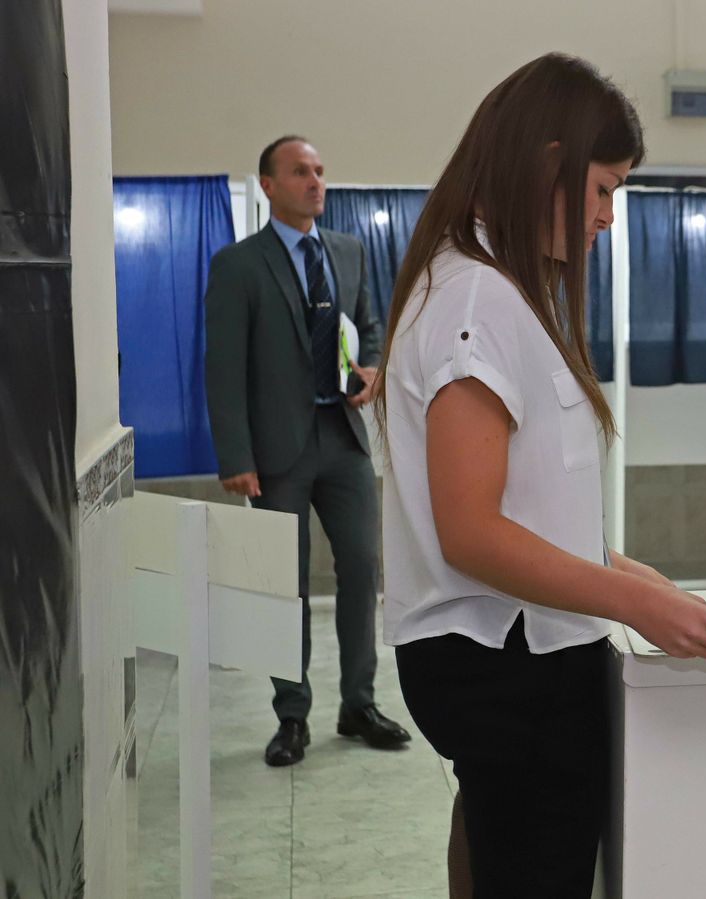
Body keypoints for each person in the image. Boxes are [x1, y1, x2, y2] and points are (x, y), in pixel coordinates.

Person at [376, 53, 706, 898]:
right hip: (506, 663)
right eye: (605, 189)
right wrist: (636, 603)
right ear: (547, 165)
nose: (608, 219)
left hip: (518, 657)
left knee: (505, 844)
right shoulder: (475, 301)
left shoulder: (494, 285)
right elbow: (471, 530)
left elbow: (531, 505)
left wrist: (634, 574)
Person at [204, 135, 410, 768]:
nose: (315, 181)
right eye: (300, 172)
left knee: (362, 571)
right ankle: (291, 717)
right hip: (274, 451)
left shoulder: (348, 252)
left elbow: (368, 325)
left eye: (320, 171)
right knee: (282, 586)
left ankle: (358, 705)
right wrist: (236, 454)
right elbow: (222, 366)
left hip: (343, 440)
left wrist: (370, 369)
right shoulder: (239, 264)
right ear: (267, 184)